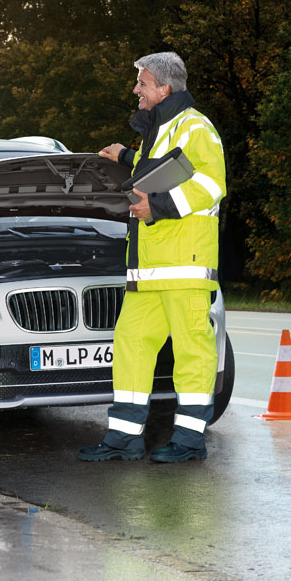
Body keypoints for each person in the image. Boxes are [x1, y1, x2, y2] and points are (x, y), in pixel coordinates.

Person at [79, 52, 228, 463]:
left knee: (192, 352)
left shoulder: (196, 126)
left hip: (183, 263)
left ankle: (189, 440)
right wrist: (125, 156)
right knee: (131, 346)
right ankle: (123, 438)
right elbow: (158, 168)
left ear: (164, 88)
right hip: (147, 268)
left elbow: (211, 183)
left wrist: (158, 207)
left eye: (141, 83)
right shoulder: (158, 131)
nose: (135, 90)